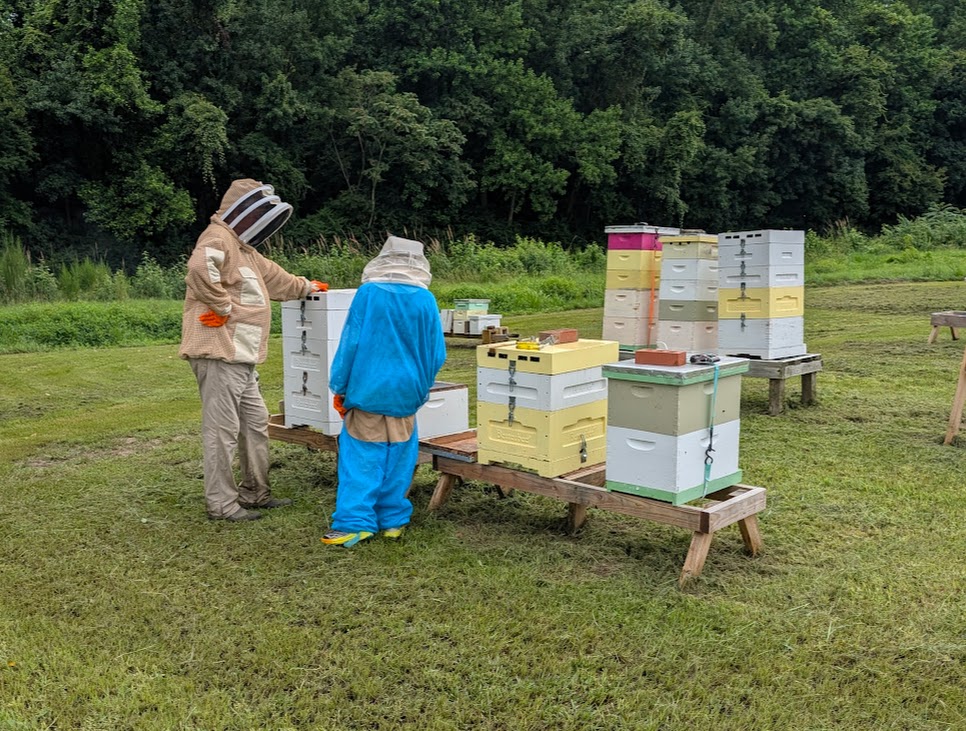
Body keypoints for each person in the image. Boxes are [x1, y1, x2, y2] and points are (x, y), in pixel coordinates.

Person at [179, 178, 327, 522]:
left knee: (256, 423)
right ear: (241, 211)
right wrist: (222, 307)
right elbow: (199, 270)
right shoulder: (217, 238)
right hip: (220, 354)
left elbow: (278, 280)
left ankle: (255, 493)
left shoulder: (244, 250)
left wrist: (307, 287)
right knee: (222, 431)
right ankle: (222, 504)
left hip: (242, 358)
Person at [321, 235, 447, 546]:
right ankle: (393, 520)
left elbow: (351, 343)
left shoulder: (369, 294)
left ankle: (354, 523)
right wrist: (419, 384)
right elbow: (437, 354)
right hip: (407, 393)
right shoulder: (426, 299)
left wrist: (339, 385)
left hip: (369, 389)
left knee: (363, 457)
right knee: (399, 456)